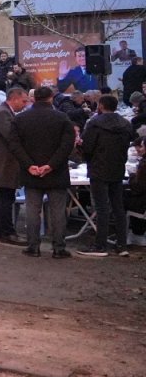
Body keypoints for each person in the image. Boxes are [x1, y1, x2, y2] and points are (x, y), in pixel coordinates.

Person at [7, 86, 77, 258]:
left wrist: (29, 165)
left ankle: (33, 246)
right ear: (51, 98)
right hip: (56, 172)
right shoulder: (62, 118)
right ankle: (59, 248)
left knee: (32, 210)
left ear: (33, 99)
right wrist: (51, 165)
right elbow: (67, 145)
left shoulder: (20, 119)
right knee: (58, 212)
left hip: (31, 173)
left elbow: (14, 144)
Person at [77, 95, 134, 257]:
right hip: (117, 168)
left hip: (98, 168)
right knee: (118, 207)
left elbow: (87, 147)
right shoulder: (126, 124)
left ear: (101, 106)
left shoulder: (94, 124)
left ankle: (100, 245)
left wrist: (83, 152)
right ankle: (121, 244)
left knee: (102, 208)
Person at [0, 88, 29, 245]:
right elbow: (11, 136)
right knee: (4, 198)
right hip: (3, 163)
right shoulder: (3, 113)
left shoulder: (2, 112)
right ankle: (6, 233)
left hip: (0, 162)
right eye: (23, 101)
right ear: (14, 99)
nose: (25, 104)